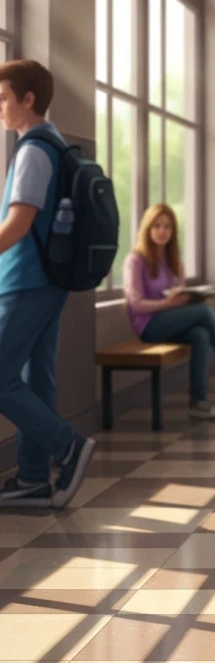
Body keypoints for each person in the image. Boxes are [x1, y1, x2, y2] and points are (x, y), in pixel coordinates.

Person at [0, 60, 97, 509]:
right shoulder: (54, 144)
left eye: (3, 98)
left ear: (28, 99)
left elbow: (18, 223)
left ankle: (68, 446)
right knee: (37, 379)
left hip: (26, 281)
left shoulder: (33, 151)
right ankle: (34, 478)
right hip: (47, 282)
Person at [124, 203, 215, 421]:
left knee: (201, 335)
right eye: (157, 226)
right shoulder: (135, 260)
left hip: (171, 319)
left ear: (173, 231)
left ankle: (198, 402)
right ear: (147, 229)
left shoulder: (174, 261)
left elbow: (178, 295)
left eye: (167, 226)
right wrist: (167, 304)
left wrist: (188, 298)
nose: (162, 231)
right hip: (148, 325)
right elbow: (135, 303)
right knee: (204, 312)